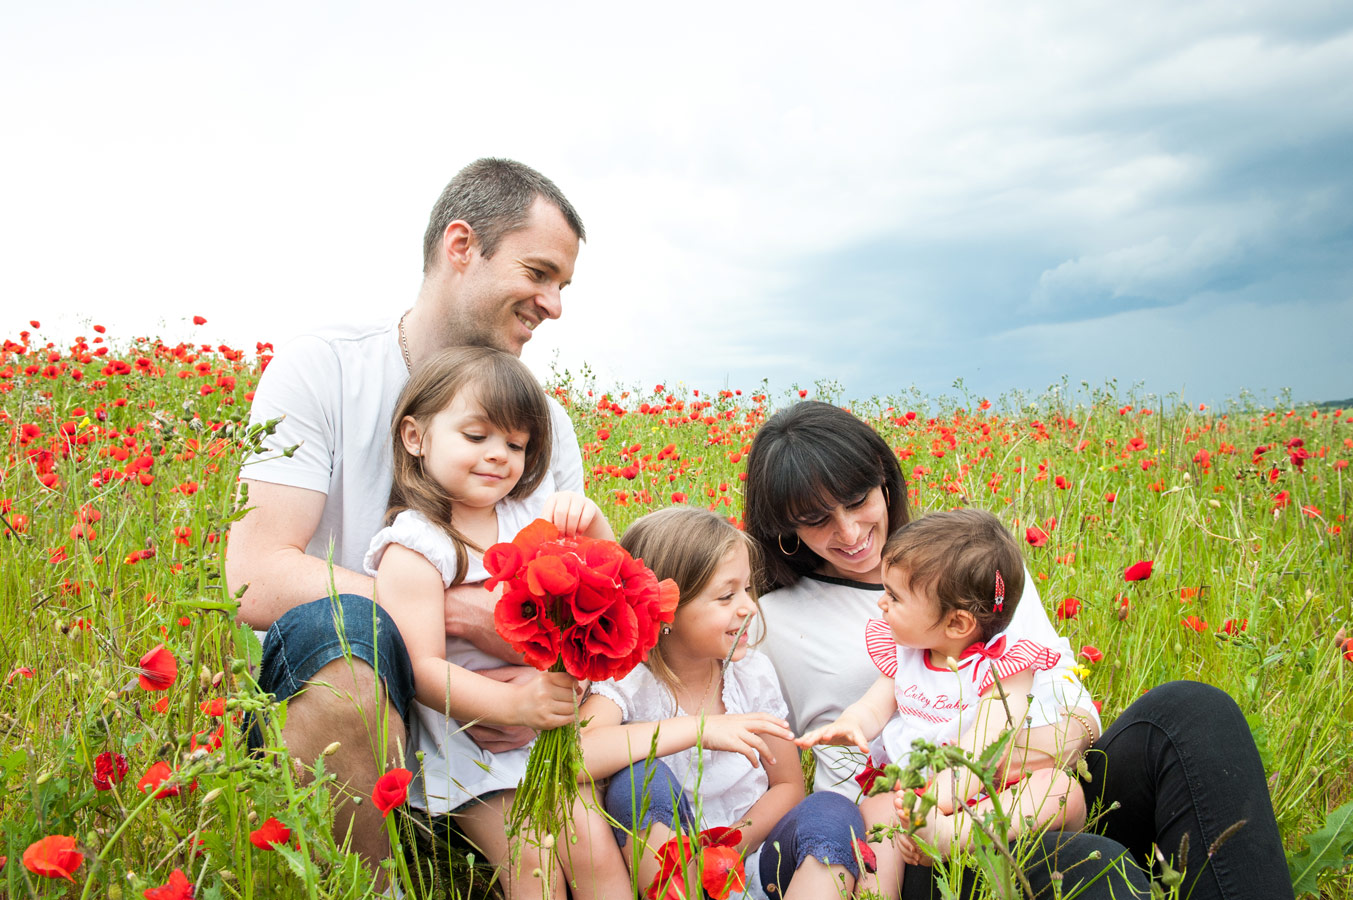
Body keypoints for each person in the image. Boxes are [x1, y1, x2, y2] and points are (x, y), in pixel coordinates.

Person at [745, 401, 1294, 900]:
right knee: (1092, 866)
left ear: (884, 482)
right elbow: (767, 776)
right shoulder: (770, 622)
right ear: (785, 530)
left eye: (858, 500)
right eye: (816, 520)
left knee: (1193, 712)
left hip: (1031, 791)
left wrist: (987, 763)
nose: (850, 531)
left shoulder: (972, 565)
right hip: (910, 834)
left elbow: (1076, 709)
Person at [225, 158, 587, 865]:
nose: (554, 304)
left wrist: (536, 659)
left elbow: (569, 592)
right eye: (538, 273)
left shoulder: (543, 422)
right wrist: (448, 612)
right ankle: (370, 881)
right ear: (461, 247)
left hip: (489, 727)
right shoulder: (324, 368)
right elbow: (256, 575)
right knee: (351, 639)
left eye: (563, 285)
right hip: (347, 690)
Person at [363, 346, 628, 898]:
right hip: (475, 749)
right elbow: (420, 667)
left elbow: (612, 586)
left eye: (515, 444)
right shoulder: (414, 546)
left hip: (548, 737)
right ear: (416, 437)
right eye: (477, 436)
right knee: (533, 860)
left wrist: (595, 523)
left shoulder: (530, 514)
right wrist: (513, 706)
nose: (498, 457)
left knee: (598, 856)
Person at [579, 508, 874, 900]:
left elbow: (787, 784)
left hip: (754, 856)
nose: (750, 606)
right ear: (665, 610)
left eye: (748, 589)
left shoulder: (751, 673)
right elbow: (576, 755)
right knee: (637, 782)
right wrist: (701, 730)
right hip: (669, 858)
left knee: (834, 812)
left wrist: (729, 846)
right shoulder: (629, 679)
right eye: (726, 596)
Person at [797, 508, 1088, 882]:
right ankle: (880, 891)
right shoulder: (907, 656)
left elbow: (988, 743)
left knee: (1061, 790)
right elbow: (876, 704)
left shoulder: (1002, 669)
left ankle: (955, 835)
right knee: (875, 813)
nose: (881, 604)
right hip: (911, 789)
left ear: (957, 623)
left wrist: (943, 798)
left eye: (894, 597)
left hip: (989, 789)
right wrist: (851, 724)